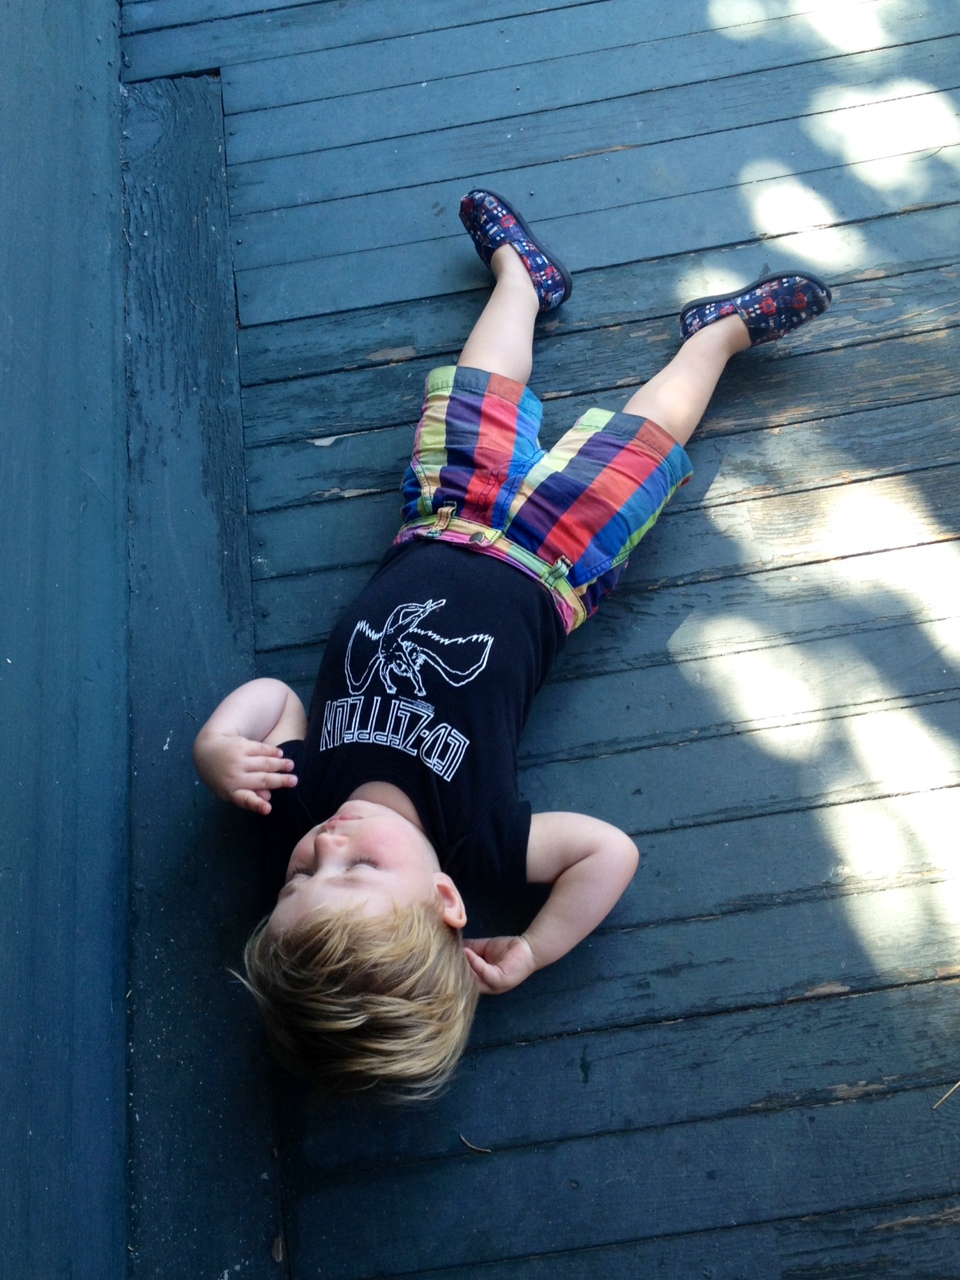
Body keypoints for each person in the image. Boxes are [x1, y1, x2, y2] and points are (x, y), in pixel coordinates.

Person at [194, 190, 831, 1100]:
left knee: (477, 388)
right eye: (359, 868)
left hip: (441, 515)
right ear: (446, 898)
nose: (328, 846)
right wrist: (536, 946)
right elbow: (608, 853)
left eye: (298, 879)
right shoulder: (485, 840)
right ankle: (718, 338)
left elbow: (278, 702)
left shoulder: (292, 809)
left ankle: (522, 284)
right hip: (558, 562)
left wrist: (220, 746)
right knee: (648, 441)